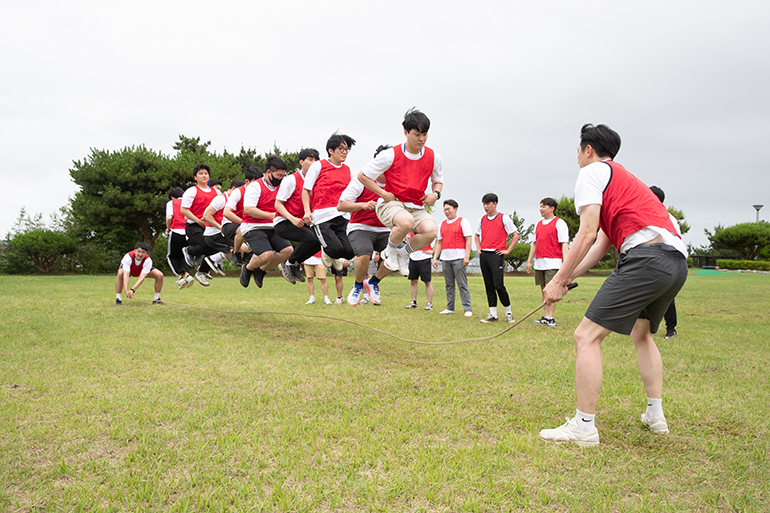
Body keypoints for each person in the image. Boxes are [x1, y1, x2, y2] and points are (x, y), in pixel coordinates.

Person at [539, 123, 688, 446]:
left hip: (646, 260)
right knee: (642, 333)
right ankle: (655, 414)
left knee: (585, 335)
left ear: (587, 150)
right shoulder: (623, 181)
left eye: (578, 151)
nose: (577, 157)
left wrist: (558, 280)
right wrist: (568, 279)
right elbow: (601, 244)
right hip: (675, 262)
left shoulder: (592, 173)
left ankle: (584, 426)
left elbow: (587, 232)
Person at [358, 108, 443, 305]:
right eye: (417, 134)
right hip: (391, 203)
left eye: (425, 134)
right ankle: (390, 252)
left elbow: (438, 181)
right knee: (406, 221)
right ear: (406, 132)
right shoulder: (390, 155)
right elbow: (362, 176)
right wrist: (384, 193)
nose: (421, 139)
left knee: (431, 231)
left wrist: (435, 194)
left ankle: (402, 255)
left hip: (416, 206)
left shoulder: (434, 157)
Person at [337, 144, 392, 306]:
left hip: (386, 229)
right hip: (361, 226)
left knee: (396, 258)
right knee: (364, 254)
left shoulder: (395, 184)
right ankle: (358, 284)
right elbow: (341, 205)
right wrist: (362, 205)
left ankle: (373, 282)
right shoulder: (361, 180)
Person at [302, 133, 356, 271]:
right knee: (336, 250)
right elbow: (306, 190)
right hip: (322, 215)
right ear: (331, 150)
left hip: (342, 215)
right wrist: (307, 211)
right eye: (341, 149)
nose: (344, 152)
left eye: (346, 150)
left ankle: (331, 252)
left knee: (350, 252)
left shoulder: (347, 170)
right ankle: (328, 251)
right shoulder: (318, 166)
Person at [238, 156, 293, 289]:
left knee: (288, 250)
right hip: (252, 226)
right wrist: (271, 215)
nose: (280, 179)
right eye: (278, 175)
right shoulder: (255, 186)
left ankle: (261, 270)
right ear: (268, 172)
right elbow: (248, 209)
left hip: (272, 226)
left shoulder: (281, 187)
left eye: (283, 176)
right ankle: (248, 268)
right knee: (266, 254)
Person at [274, 148, 322, 284]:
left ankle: (294, 263)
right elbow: (278, 204)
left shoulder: (316, 182)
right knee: (310, 238)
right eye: (310, 159)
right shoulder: (291, 179)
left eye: (316, 160)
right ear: (301, 162)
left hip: (302, 223)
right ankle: (288, 263)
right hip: (283, 221)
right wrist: (292, 219)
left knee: (320, 241)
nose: (314, 163)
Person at [475, 193, 520, 323]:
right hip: (484, 254)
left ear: (495, 204)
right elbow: (476, 235)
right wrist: (479, 249)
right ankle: (493, 314)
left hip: (496, 254)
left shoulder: (503, 218)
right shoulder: (482, 219)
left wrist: (507, 250)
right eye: (484, 204)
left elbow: (516, 235)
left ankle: (508, 312)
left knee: (498, 285)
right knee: (488, 285)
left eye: (488, 204)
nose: (485, 207)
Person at [526, 197, 570, 328]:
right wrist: (529, 261)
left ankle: (551, 317)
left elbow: (564, 244)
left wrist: (566, 263)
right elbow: (534, 244)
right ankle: (545, 316)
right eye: (540, 206)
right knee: (544, 289)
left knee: (552, 290)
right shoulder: (538, 224)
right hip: (540, 262)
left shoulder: (559, 223)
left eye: (544, 206)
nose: (541, 209)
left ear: (552, 208)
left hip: (554, 262)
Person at [650, 185, 682, 339]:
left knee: (663, 296)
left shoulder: (653, 215)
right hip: (676, 261)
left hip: (661, 258)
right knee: (666, 296)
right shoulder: (671, 217)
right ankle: (670, 329)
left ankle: (669, 328)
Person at [180, 164, 220, 286]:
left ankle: (202, 271)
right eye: (201, 173)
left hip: (209, 225)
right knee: (205, 244)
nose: (204, 175)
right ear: (195, 177)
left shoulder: (217, 192)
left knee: (216, 246)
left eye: (206, 173)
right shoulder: (192, 191)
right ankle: (190, 251)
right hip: (194, 225)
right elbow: (184, 210)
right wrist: (198, 221)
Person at [433, 199, 473, 317]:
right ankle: (450, 307)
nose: (446, 211)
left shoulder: (463, 221)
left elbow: (468, 239)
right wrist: (435, 257)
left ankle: (467, 308)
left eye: (448, 209)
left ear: (455, 208)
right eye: (445, 209)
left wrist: (467, 256)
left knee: (462, 283)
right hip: (445, 258)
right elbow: (439, 242)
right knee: (449, 284)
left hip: (459, 257)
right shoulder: (442, 224)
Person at [202, 178, 244, 276]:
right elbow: (206, 215)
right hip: (213, 234)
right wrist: (220, 227)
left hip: (221, 233)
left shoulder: (233, 202)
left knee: (243, 247)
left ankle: (214, 262)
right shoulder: (220, 199)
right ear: (234, 189)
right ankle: (212, 260)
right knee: (241, 248)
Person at [224, 165, 263, 266]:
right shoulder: (238, 192)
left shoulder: (260, 192)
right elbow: (226, 212)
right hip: (229, 224)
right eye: (255, 182)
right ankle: (236, 253)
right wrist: (244, 222)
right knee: (244, 228)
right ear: (247, 182)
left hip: (249, 224)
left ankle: (248, 253)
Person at [165, 186, 193, 290]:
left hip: (176, 231)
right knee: (182, 255)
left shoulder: (172, 203)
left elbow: (169, 218)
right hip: (187, 232)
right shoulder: (188, 202)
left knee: (171, 256)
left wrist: (168, 229)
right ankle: (187, 275)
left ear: (172, 197)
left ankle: (179, 277)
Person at [405, 233, 434, 310]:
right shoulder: (410, 228)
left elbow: (438, 238)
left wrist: (433, 250)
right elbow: (407, 239)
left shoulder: (426, 228)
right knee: (413, 281)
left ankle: (429, 303)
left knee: (427, 281)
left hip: (424, 257)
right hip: (413, 257)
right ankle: (413, 302)